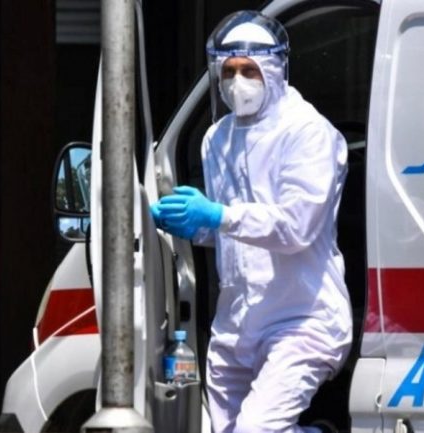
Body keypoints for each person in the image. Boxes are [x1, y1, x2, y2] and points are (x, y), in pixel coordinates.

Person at [150, 11, 351, 433]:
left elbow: (296, 227)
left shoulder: (307, 132)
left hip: (301, 319)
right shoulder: (216, 139)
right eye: (228, 71)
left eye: (248, 70)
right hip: (236, 322)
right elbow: (235, 235)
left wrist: (217, 214)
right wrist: (192, 225)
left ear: (274, 69)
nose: (237, 81)